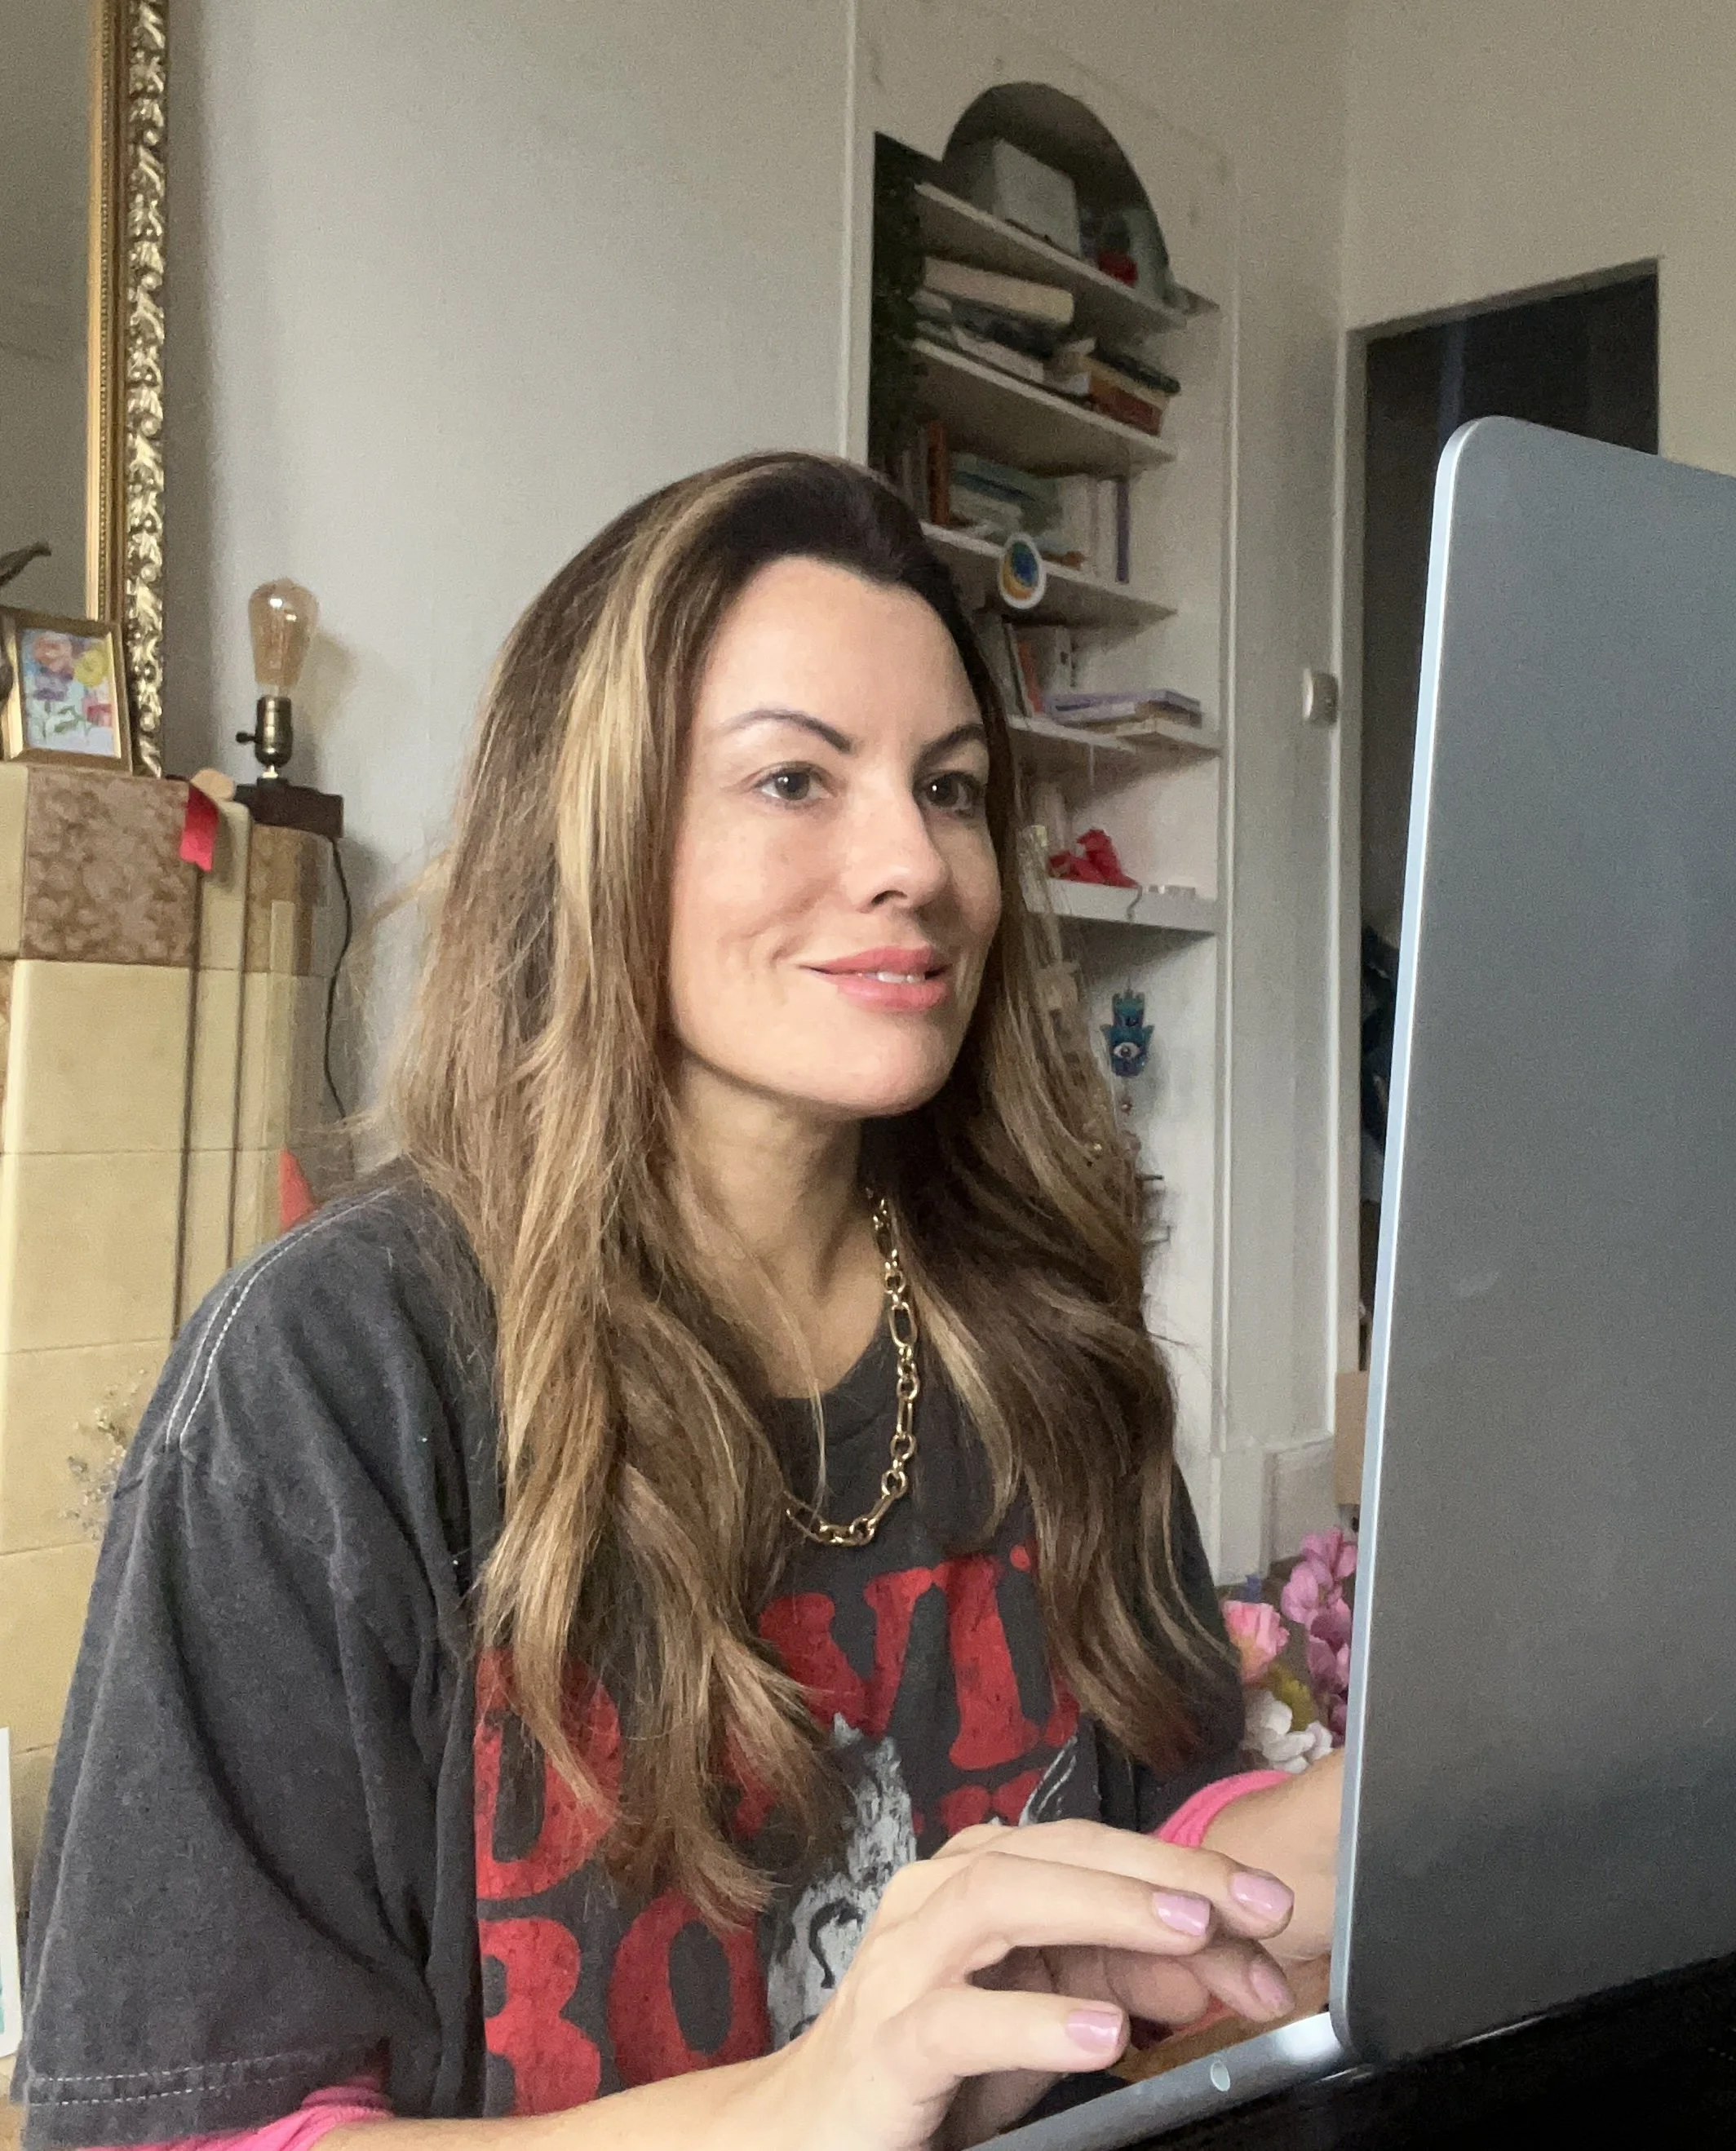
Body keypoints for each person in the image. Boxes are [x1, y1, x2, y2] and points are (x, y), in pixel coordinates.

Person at [16, 454, 1341, 2151]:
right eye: (795, 778)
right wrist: (812, 2101)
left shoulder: (1038, 1325)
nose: (912, 865)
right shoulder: (334, 1374)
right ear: (592, 835)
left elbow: (1158, 1837)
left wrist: (1356, 1828)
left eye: (947, 789)